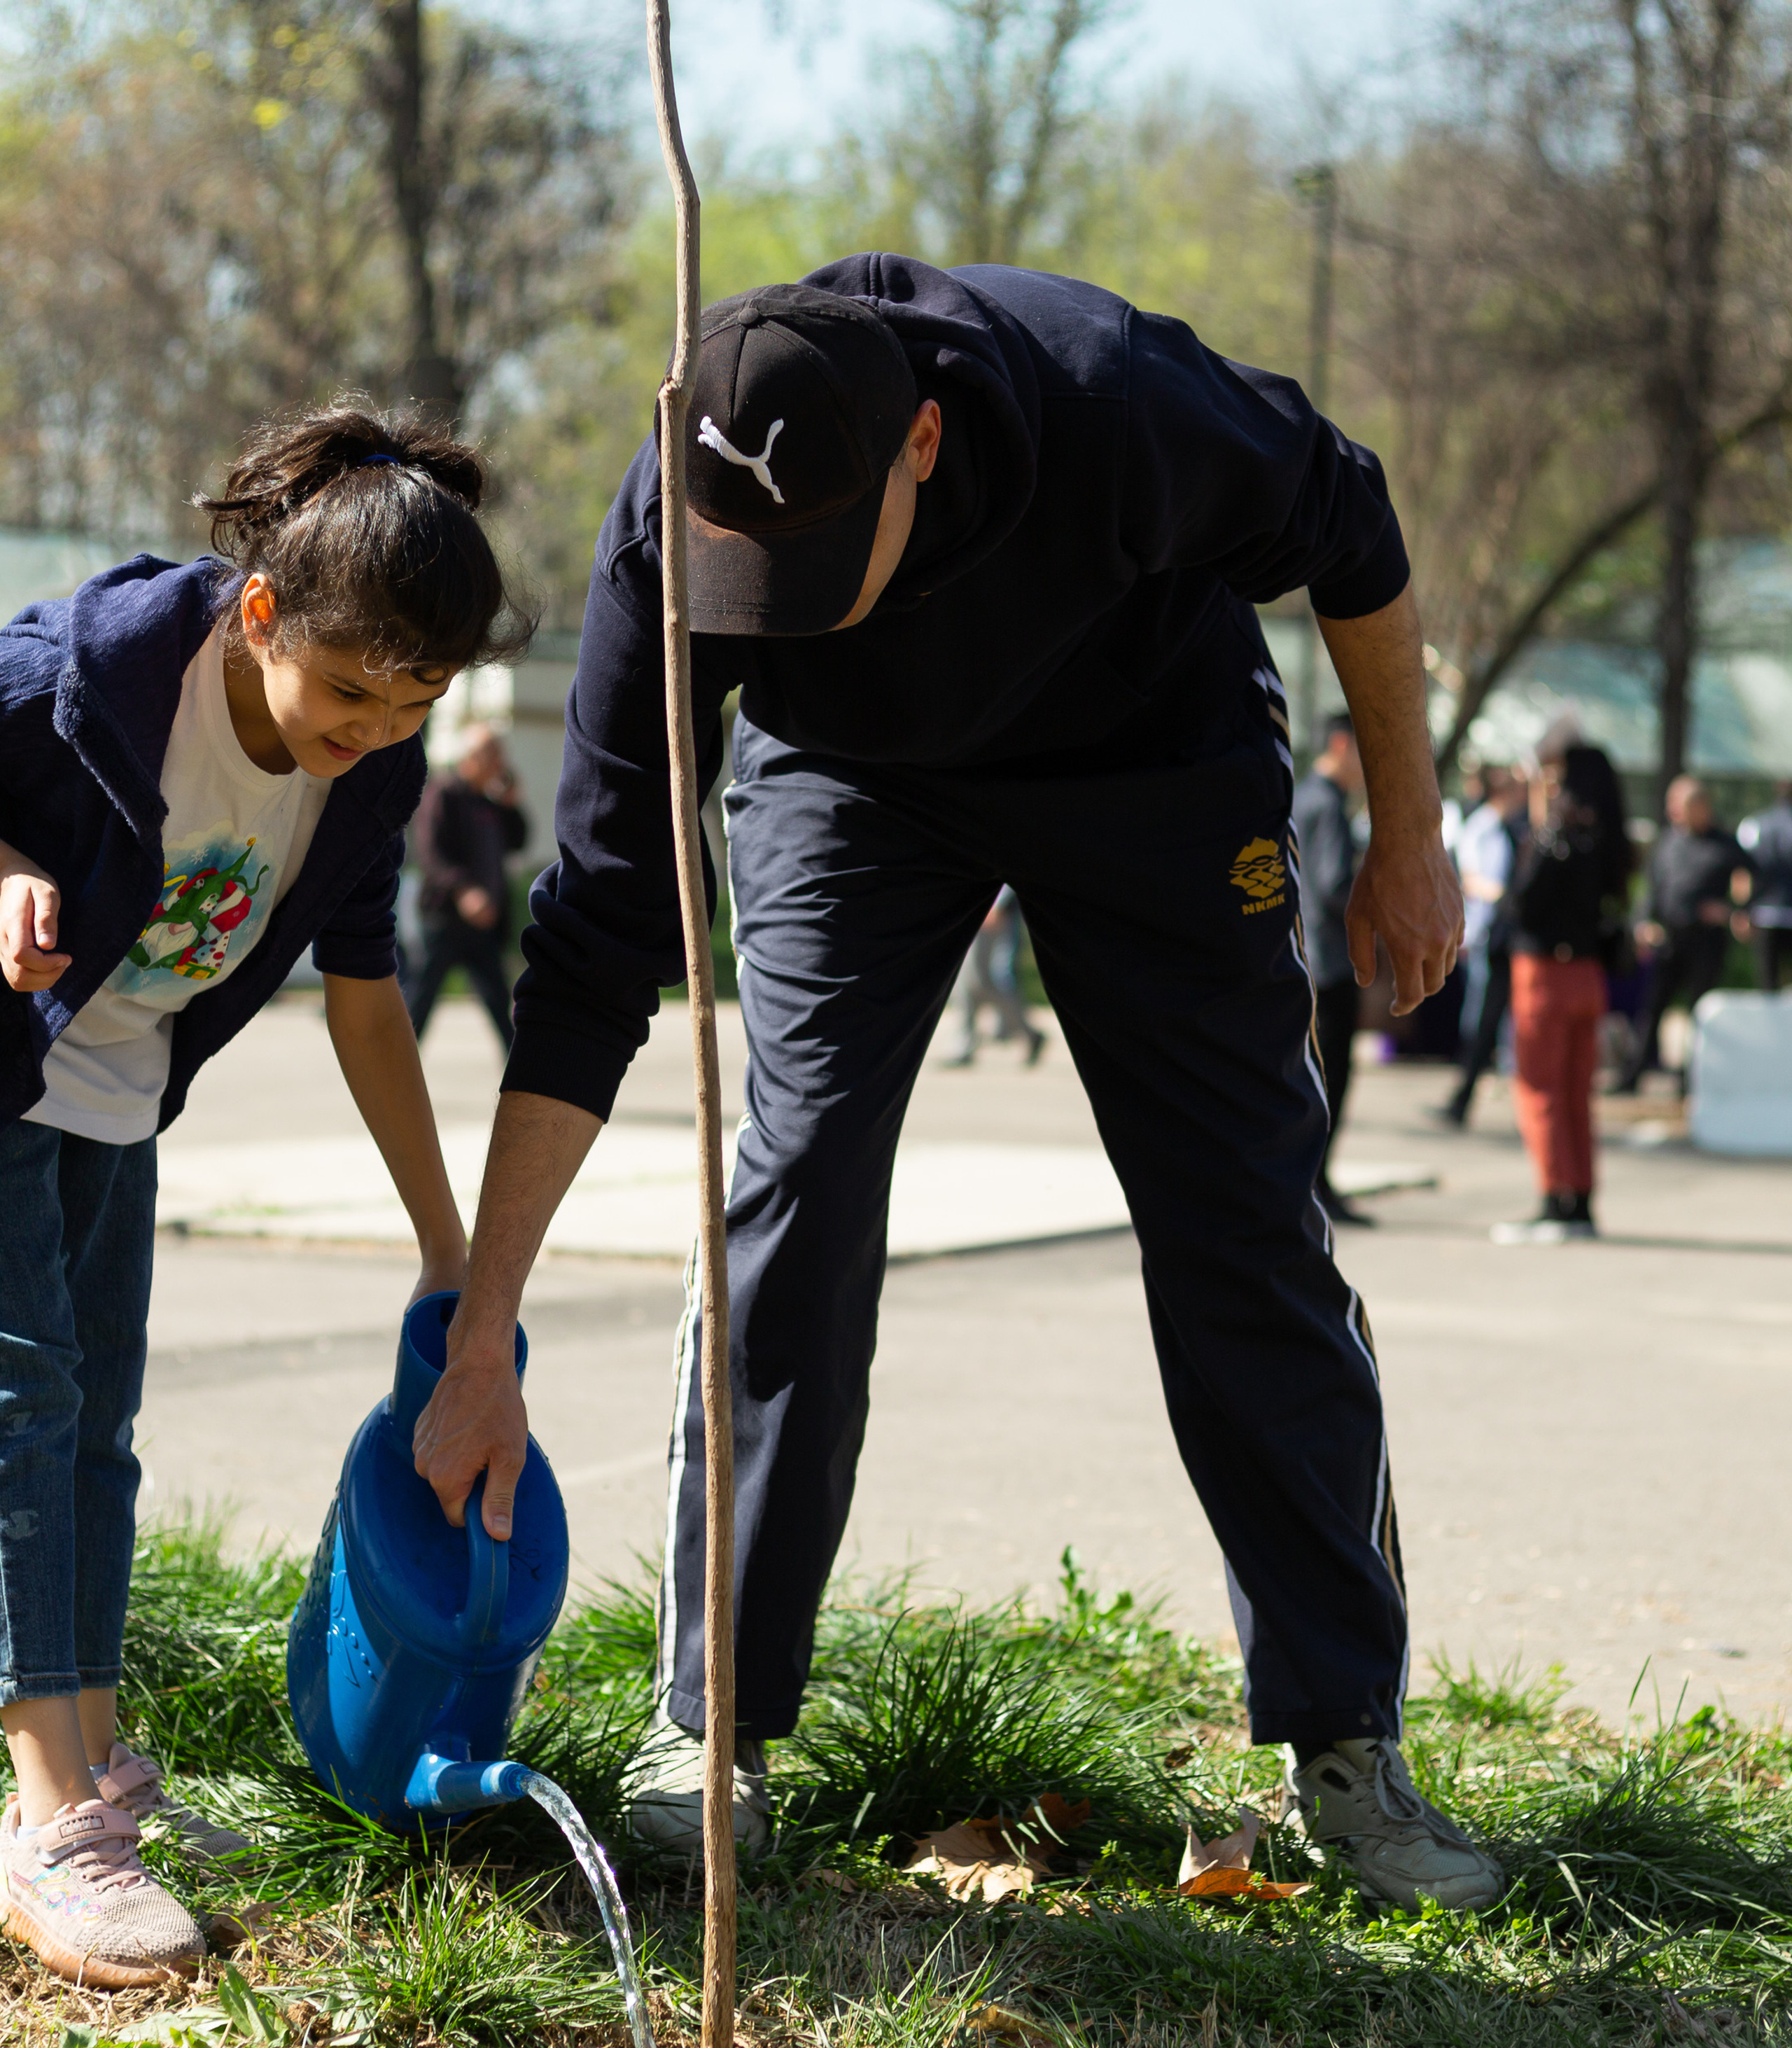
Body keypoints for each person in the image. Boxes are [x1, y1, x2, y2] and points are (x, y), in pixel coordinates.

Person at [413, 262, 1501, 1914]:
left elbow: (1351, 525)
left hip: (1146, 751)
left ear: (922, 442)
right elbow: (595, 941)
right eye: (750, 577)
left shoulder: (1113, 402)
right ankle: (711, 1728)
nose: (783, 595)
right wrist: (486, 1321)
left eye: (816, 568)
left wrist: (1409, 838)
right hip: (847, 789)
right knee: (799, 1178)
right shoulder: (669, 526)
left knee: (1238, 1221)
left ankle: (1343, 1743)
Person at [0, 403, 533, 1988]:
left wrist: (449, 1251)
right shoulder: (84, 673)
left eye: (410, 705)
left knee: (97, 1427)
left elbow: (368, 1003)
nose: (371, 729)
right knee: (23, 1406)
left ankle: (92, 1770)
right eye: (350, 690)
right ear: (259, 615)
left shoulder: (367, 779)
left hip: (109, 1086)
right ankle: (47, 1833)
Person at [1492, 742, 1633, 1243]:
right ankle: (1581, 1200)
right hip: (1588, 976)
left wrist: (1539, 819)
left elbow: (1521, 903)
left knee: (1540, 1088)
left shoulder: (1556, 837)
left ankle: (1555, 1197)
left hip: (1544, 975)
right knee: (1577, 1093)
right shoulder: (1609, 841)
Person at [1615, 775, 1749, 1093]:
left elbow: (1751, 882)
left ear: (1702, 807)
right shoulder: (1670, 841)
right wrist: (1642, 923)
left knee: (1699, 1012)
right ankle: (1635, 1073)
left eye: (1682, 806)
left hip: (1706, 940)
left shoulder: (1725, 844)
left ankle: (1692, 1079)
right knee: (1653, 1006)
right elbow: (1651, 888)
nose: (1675, 812)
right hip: (1669, 937)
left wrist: (1730, 909)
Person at [1292, 713, 1373, 1224]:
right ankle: (1317, 1184)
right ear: (1342, 745)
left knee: (1310, 1078)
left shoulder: (1299, 795)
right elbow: (1333, 884)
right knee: (1330, 1079)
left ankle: (1312, 1182)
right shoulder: (1328, 806)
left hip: (1302, 957)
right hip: (1328, 964)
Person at [406, 723, 529, 1051]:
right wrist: (464, 890)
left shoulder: (491, 802)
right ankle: (397, 1073)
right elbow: (432, 853)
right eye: (493, 754)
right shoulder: (445, 793)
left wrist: (512, 803)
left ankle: (519, 1082)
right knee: (421, 1000)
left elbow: (518, 841)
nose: (500, 762)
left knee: (499, 1003)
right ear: (471, 758)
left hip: (484, 924)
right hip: (444, 920)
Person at [1434, 762, 1527, 1127]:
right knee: (1482, 1016)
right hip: (1489, 933)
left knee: (1500, 1018)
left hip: (1506, 932)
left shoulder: (1517, 827)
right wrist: (1510, 899)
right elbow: (1472, 881)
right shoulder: (1483, 828)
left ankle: (1478, 1089)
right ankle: (1467, 1089)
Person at [941, 885, 1045, 1065]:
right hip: (972, 906)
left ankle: (1029, 1033)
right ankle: (965, 1045)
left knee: (987, 980)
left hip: (995, 911)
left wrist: (999, 904)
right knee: (964, 980)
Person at [1738, 780, 1792, 990]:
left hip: (1764, 913)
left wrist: (1742, 910)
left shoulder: (1755, 825)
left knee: (1767, 985)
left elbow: (1743, 872)